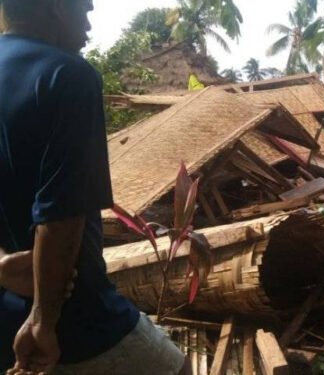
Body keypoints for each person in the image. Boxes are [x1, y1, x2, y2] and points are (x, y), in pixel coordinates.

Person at [0, 1, 189, 374]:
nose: (89, 16)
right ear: (55, 7)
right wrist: (43, 321)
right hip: (73, 317)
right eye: (83, 6)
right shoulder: (66, 74)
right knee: (176, 369)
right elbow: (60, 217)